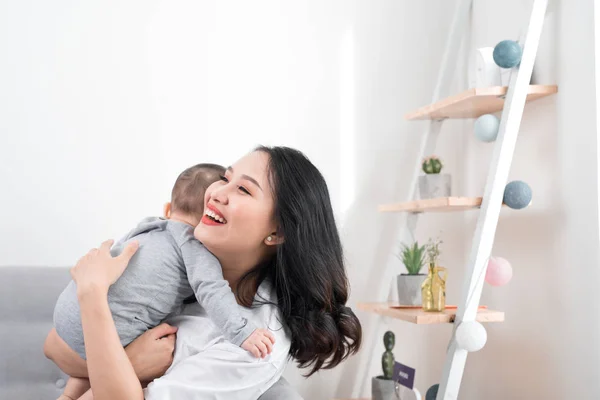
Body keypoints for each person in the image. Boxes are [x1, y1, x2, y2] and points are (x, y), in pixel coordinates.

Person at [44, 146, 362, 400]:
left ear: (276, 233)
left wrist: (92, 294)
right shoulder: (184, 263)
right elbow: (55, 346)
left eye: (245, 191)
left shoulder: (253, 343)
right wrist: (129, 360)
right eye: (225, 178)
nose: (217, 193)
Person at [49, 163, 276, 398]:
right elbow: (212, 289)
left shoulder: (148, 227)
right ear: (207, 216)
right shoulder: (195, 247)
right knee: (137, 329)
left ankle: (68, 395)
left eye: (244, 190)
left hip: (67, 312)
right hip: (100, 329)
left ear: (168, 209)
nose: (222, 195)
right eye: (226, 182)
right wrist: (242, 332)